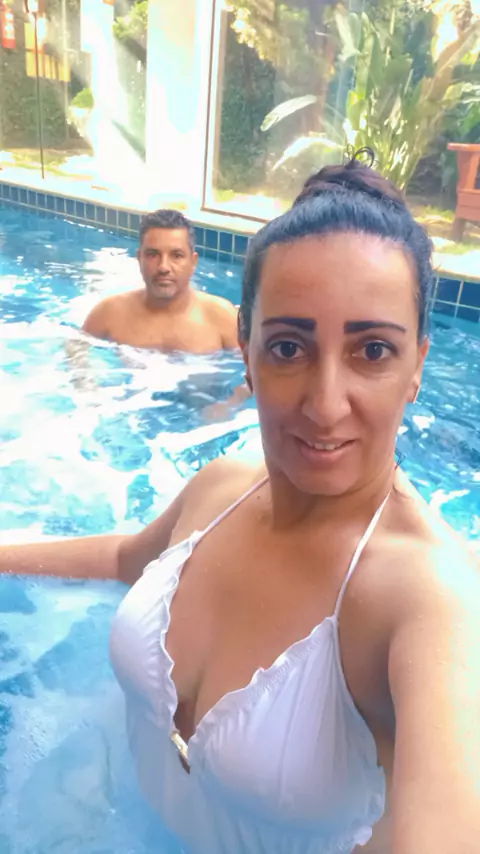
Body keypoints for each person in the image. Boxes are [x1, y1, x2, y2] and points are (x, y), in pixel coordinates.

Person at [2, 153, 480, 854]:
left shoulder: (428, 598)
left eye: (373, 351)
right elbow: (125, 556)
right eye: (288, 348)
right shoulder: (225, 485)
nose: (326, 404)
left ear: (417, 369)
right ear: (247, 354)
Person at [82, 209, 239, 353]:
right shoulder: (109, 314)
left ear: (193, 262)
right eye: (153, 254)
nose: (163, 267)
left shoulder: (223, 318)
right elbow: (76, 349)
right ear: (139, 259)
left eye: (176, 255)